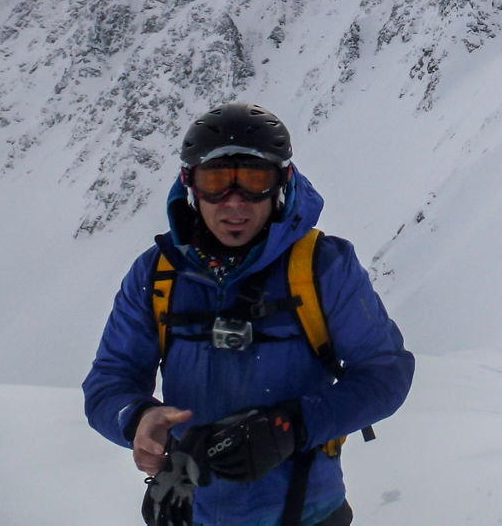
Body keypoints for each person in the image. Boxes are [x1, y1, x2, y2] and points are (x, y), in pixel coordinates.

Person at [84, 102, 415, 526]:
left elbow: (386, 372)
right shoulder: (157, 274)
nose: (234, 203)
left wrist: (293, 426)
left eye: (255, 181)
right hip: (189, 513)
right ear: (190, 184)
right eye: (217, 181)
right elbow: (110, 379)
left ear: (281, 183)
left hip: (306, 513)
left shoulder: (322, 267)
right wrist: (137, 419)